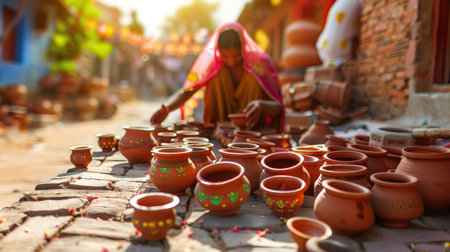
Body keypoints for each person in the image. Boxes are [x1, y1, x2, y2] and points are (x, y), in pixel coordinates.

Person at [150, 22, 284, 131]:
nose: (231, 61)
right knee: (217, 75)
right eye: (226, 56)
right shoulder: (213, 68)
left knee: (251, 77)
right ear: (218, 51)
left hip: (254, 136)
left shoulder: (259, 66)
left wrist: (261, 105)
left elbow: (278, 108)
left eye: (237, 56)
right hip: (218, 133)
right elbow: (188, 91)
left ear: (244, 49)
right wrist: (167, 108)